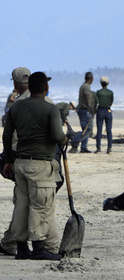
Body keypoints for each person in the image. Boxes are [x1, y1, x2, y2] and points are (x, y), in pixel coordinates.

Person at [2, 72, 67, 260]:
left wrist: (8, 160)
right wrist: (64, 140)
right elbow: (57, 136)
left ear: (29, 87)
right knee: (41, 206)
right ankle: (38, 249)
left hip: (20, 163)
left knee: (22, 206)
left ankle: (22, 249)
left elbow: (6, 136)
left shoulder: (17, 106)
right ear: (46, 88)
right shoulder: (50, 108)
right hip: (40, 164)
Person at [69, 72, 95, 153]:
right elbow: (87, 98)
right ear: (90, 79)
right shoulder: (86, 87)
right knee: (88, 129)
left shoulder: (83, 86)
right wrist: (90, 108)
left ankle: (84, 147)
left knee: (85, 129)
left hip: (81, 109)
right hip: (84, 110)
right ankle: (75, 140)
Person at [94, 77, 114, 154]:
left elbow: (96, 102)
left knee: (99, 130)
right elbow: (111, 101)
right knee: (109, 130)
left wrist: (95, 109)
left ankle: (98, 148)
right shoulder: (110, 92)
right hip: (108, 110)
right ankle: (109, 148)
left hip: (100, 110)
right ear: (107, 83)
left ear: (101, 83)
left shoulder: (98, 92)